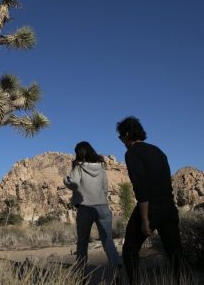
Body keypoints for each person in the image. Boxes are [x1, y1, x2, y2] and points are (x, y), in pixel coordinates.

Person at [116, 116, 184, 284]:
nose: (121, 141)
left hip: (150, 206)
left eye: (120, 137)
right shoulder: (158, 151)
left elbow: (141, 187)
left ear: (126, 135)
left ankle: (135, 282)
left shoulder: (132, 153)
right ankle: (183, 280)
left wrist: (145, 219)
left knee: (130, 249)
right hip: (169, 206)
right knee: (175, 252)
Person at [64, 141, 122, 277]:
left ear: (79, 153)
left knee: (83, 242)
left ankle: (81, 274)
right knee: (107, 240)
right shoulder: (101, 167)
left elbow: (73, 184)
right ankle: (116, 270)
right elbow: (105, 187)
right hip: (103, 207)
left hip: (86, 208)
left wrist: (65, 180)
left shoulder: (78, 167)